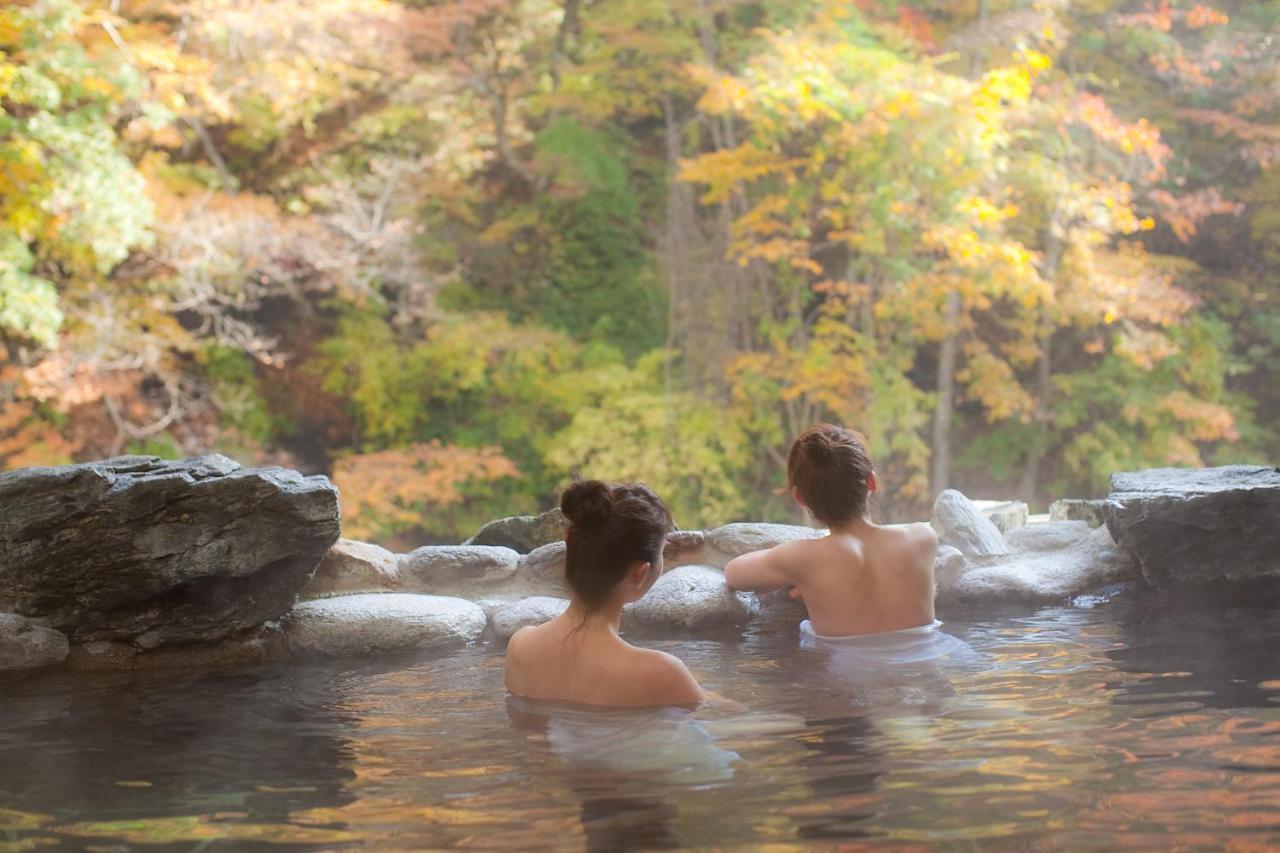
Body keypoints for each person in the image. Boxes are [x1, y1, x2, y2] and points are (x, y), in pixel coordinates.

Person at [724, 424, 938, 638]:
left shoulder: (803, 558)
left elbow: (733, 574)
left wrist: (804, 580)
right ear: (871, 481)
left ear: (801, 499)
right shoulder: (922, 538)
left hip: (849, 668)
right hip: (930, 659)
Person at [505, 480, 705, 707]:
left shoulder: (520, 647)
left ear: (571, 547)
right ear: (640, 574)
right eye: (662, 553)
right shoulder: (661, 673)